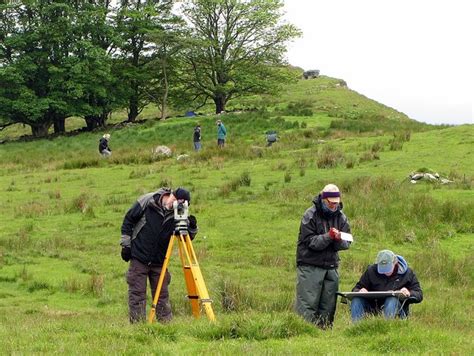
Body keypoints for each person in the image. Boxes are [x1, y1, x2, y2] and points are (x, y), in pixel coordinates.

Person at [120, 187, 198, 323]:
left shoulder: (178, 214)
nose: (173, 204)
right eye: (174, 200)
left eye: (180, 204)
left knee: (162, 295)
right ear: (171, 194)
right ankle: (138, 328)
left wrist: (191, 226)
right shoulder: (148, 200)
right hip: (139, 256)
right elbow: (128, 220)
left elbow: (188, 237)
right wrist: (126, 245)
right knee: (137, 294)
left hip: (160, 261)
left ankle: (166, 327)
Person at [296, 183, 352, 329]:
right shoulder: (310, 215)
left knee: (328, 306)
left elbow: (347, 242)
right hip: (310, 265)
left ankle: (324, 334)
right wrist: (329, 236)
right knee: (307, 304)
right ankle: (304, 332)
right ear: (324, 200)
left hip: (331, 266)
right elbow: (310, 242)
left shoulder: (342, 217)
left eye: (336, 203)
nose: (334, 206)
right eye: (331, 203)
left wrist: (339, 238)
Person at [350, 249, 423, 322]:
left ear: (395, 262)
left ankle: (387, 327)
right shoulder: (371, 271)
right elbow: (356, 288)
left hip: (397, 309)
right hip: (373, 308)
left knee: (391, 300)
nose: (385, 272)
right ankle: (356, 328)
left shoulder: (408, 273)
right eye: (382, 269)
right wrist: (360, 291)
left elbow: (419, 294)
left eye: (388, 268)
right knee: (356, 299)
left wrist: (409, 293)